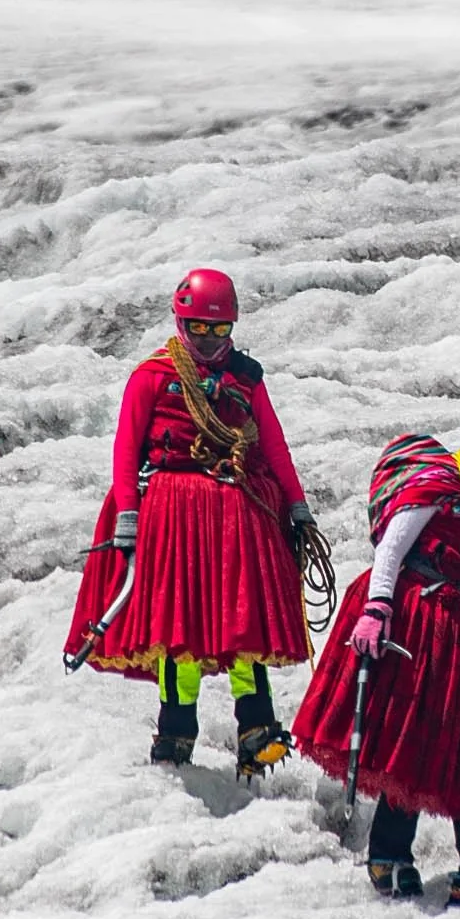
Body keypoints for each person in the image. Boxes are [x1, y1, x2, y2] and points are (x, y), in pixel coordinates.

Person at [294, 404, 460, 915]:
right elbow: (392, 550)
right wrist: (377, 608)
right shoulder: (438, 485)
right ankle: (392, 854)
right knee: (416, 740)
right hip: (425, 623)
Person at [63, 268, 325, 774]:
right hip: (173, 515)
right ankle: (176, 731)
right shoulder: (152, 376)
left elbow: (271, 444)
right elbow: (126, 450)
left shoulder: (246, 378)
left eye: (219, 330)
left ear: (233, 326)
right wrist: (127, 515)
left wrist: (296, 503)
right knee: (177, 627)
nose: (208, 340)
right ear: (180, 321)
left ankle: (257, 728)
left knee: (242, 622)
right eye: (199, 329)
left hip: (235, 513)